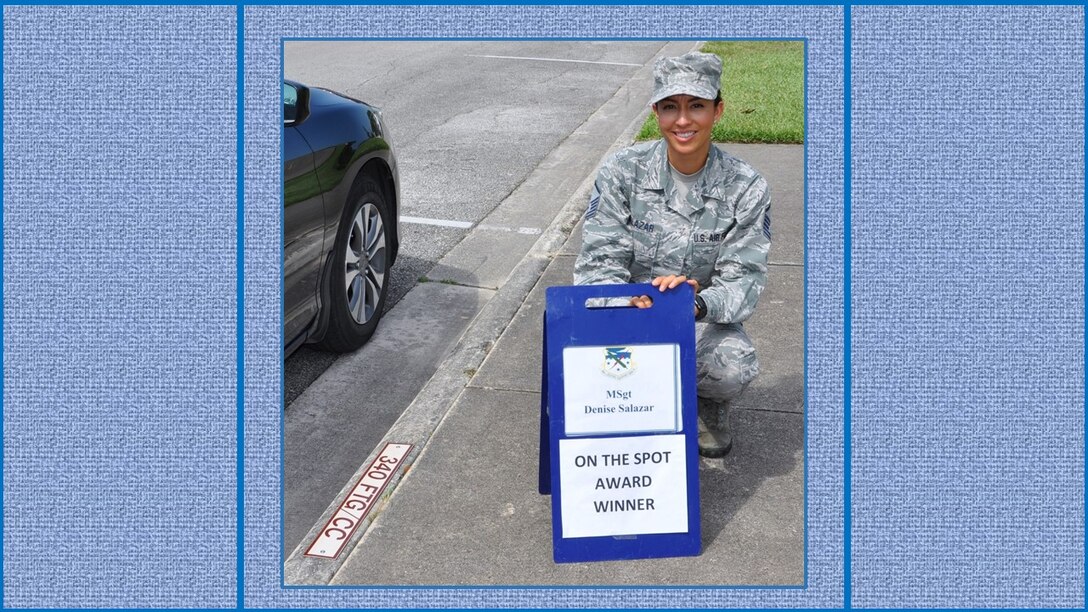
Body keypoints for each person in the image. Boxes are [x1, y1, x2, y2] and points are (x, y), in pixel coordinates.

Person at [573, 51, 772, 458]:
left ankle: (706, 409)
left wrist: (694, 304)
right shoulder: (621, 172)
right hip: (625, 311)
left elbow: (744, 279)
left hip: (695, 318)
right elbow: (597, 262)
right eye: (670, 107)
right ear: (656, 112)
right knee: (579, 364)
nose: (683, 121)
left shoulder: (746, 187)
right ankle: (626, 407)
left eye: (696, 106)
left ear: (718, 110)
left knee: (731, 365)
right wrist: (628, 299)